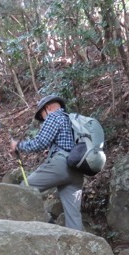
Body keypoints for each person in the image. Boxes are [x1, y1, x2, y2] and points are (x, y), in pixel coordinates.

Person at [10, 94, 84, 231]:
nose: (43, 120)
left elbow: (40, 143)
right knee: (73, 215)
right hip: (78, 169)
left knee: (24, 190)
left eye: (42, 116)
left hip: (61, 165)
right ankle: (79, 247)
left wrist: (18, 145)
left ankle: (46, 222)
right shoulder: (73, 120)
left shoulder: (54, 116)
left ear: (48, 108)